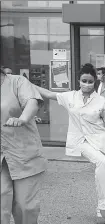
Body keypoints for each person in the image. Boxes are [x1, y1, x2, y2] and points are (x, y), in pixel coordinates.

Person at [35, 63, 105, 224]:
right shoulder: (70, 96)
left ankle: (103, 211)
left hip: (99, 139)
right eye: (84, 80)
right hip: (80, 140)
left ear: (94, 82)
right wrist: (24, 84)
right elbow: (49, 94)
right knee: (102, 162)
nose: (87, 84)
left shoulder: (100, 101)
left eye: (90, 81)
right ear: (79, 80)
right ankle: (104, 209)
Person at [1, 67, 47, 224]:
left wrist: (22, 119)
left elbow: (32, 103)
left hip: (23, 155)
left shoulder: (17, 82)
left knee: (25, 208)